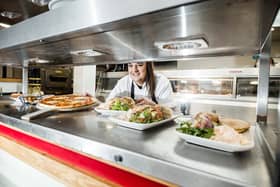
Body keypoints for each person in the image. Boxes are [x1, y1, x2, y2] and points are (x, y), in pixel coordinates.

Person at [107, 62, 173, 105]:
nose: (134, 70)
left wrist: (153, 105)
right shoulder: (123, 82)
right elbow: (108, 103)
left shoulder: (162, 82)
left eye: (139, 65)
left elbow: (171, 111)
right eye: (130, 65)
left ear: (148, 66)